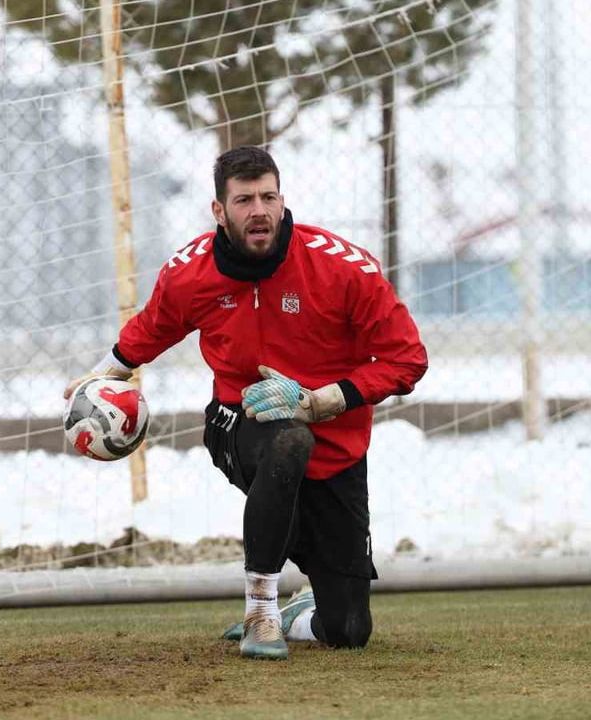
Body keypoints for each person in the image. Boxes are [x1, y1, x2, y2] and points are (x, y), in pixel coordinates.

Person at [64, 146, 427, 660]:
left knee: (348, 630)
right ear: (219, 210)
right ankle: (261, 611)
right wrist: (105, 374)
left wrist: (324, 400)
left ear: (282, 202)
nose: (258, 209)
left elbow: (408, 358)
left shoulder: (342, 269)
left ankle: (299, 611)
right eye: (243, 200)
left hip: (338, 449)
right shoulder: (190, 272)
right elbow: (154, 327)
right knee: (287, 440)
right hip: (241, 425)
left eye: (268, 197)